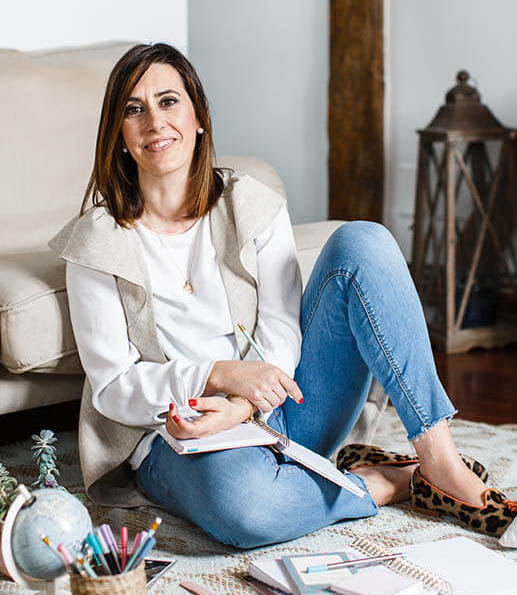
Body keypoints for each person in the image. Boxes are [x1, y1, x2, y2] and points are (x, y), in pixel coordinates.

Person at [50, 43, 516, 549]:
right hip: (179, 436)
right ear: (118, 134)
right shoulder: (95, 245)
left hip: (282, 410)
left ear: (198, 117)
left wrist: (243, 404)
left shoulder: (250, 204)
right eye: (133, 109)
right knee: (247, 508)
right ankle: (385, 483)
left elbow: (281, 327)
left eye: (168, 101)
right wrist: (217, 376)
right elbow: (114, 387)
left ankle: (440, 461)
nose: (155, 122)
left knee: (364, 241)